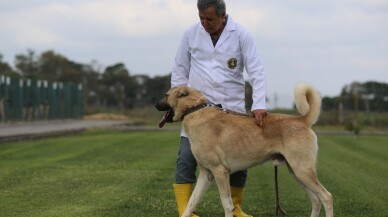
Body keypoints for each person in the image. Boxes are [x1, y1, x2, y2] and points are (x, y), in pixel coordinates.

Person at [171, 0, 267, 216]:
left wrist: (259, 104)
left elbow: (256, 71)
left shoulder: (242, 34)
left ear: (223, 16)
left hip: (231, 109)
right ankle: (185, 211)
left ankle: (236, 209)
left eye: (210, 19)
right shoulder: (190, 34)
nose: (205, 23)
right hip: (197, 112)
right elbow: (179, 71)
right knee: (186, 159)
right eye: (201, 18)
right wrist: (178, 105)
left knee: (240, 162)